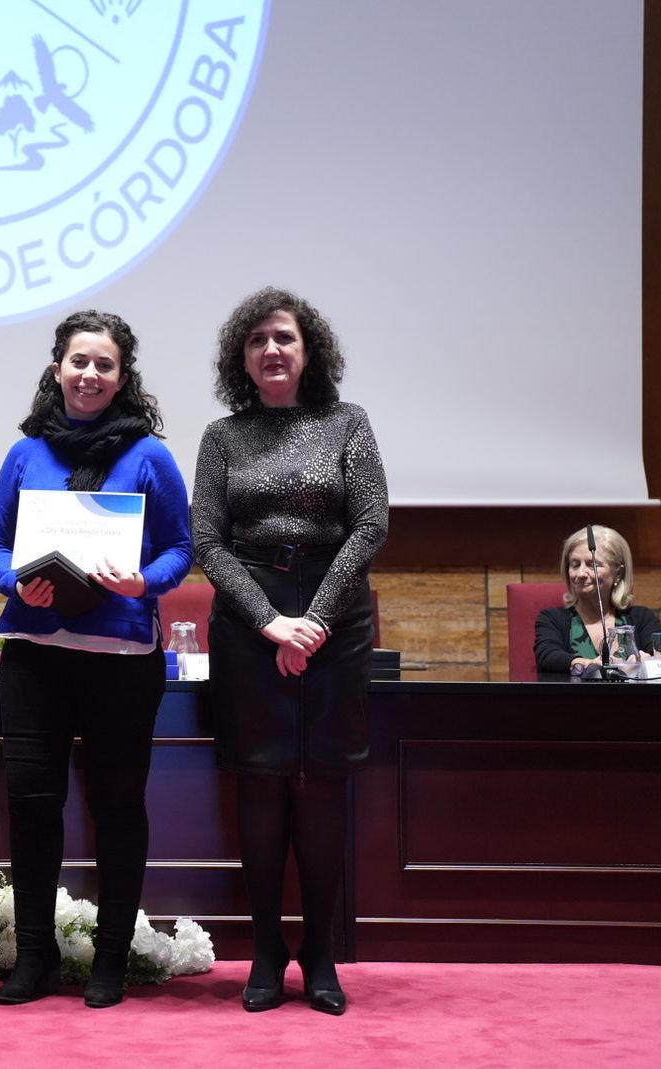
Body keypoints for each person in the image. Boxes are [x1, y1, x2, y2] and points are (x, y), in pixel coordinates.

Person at [0, 310, 193, 1009]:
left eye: (104, 364)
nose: (90, 374)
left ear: (122, 377)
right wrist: (16, 580)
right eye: (79, 361)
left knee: (117, 806)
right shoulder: (25, 454)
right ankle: (35, 956)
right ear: (56, 368)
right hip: (34, 656)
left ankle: (110, 957)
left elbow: (179, 548)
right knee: (33, 806)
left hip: (122, 657)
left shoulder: (149, 456)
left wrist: (144, 581)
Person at [191, 287, 388, 1016]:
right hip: (249, 624)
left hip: (336, 621)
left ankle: (322, 950)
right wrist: (273, 621)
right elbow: (206, 540)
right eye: (257, 341)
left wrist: (313, 620)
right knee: (263, 785)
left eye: (285, 338)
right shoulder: (222, 435)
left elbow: (369, 526)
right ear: (241, 358)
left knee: (323, 785)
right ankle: (268, 947)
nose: (271, 350)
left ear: (310, 352)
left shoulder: (348, 423)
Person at [534, 525, 661, 676]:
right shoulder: (552, 619)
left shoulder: (642, 618)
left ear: (618, 573)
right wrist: (586, 664)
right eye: (575, 565)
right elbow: (547, 655)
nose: (581, 573)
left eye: (593, 565)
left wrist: (651, 662)